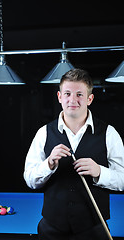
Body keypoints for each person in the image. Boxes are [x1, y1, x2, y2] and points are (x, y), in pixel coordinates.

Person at [23, 69, 124, 240]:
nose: (73, 100)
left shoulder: (109, 133)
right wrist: (48, 164)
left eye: (79, 94)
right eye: (67, 93)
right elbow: (30, 180)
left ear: (89, 99)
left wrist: (100, 172)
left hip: (94, 229)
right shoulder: (44, 133)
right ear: (59, 97)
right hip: (51, 230)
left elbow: (122, 179)